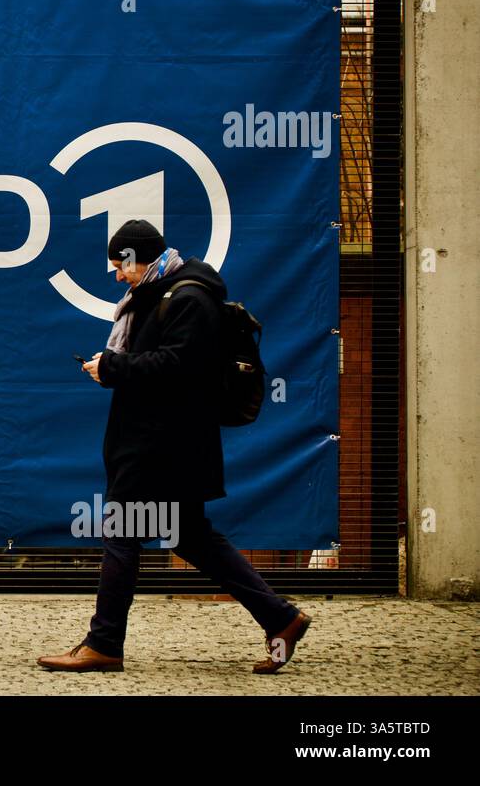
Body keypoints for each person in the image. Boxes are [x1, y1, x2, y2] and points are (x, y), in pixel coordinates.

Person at [37, 218, 312, 674]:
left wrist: (114, 368)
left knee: (123, 532)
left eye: (119, 266)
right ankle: (281, 618)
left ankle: (104, 644)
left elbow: (182, 366)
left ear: (134, 258)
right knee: (191, 536)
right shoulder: (161, 294)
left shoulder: (188, 297)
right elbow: (163, 361)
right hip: (166, 442)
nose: (117, 276)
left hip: (160, 444)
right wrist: (114, 368)